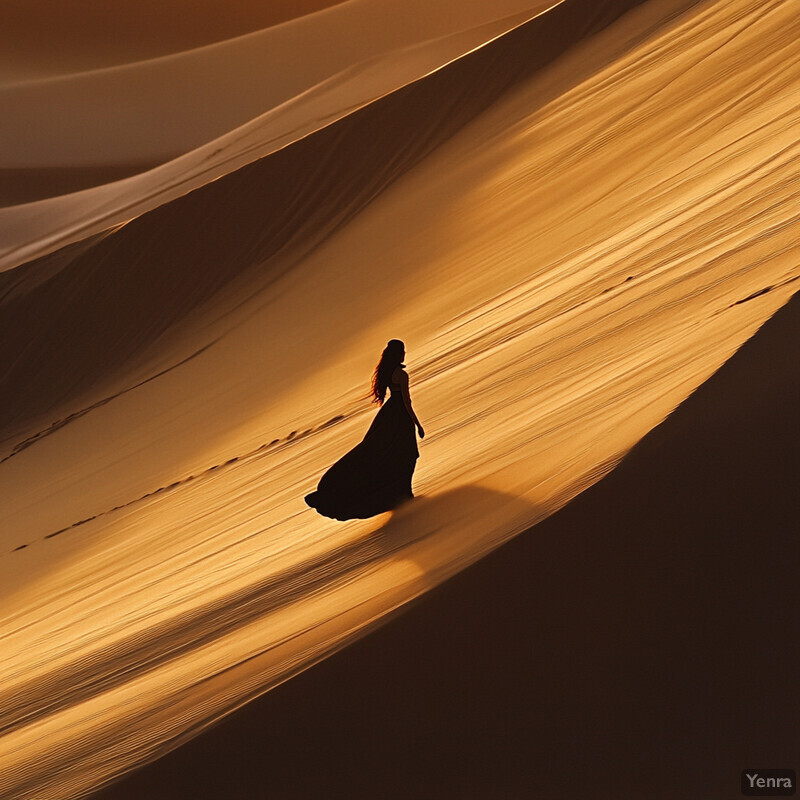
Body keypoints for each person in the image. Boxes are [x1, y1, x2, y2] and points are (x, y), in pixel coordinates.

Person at [305, 339, 424, 520]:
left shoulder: (388, 372)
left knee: (386, 455)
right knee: (406, 454)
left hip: (388, 416)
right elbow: (407, 401)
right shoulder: (401, 374)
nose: (405, 353)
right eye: (403, 351)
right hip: (400, 418)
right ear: (399, 353)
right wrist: (417, 424)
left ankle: (402, 494)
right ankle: (404, 495)